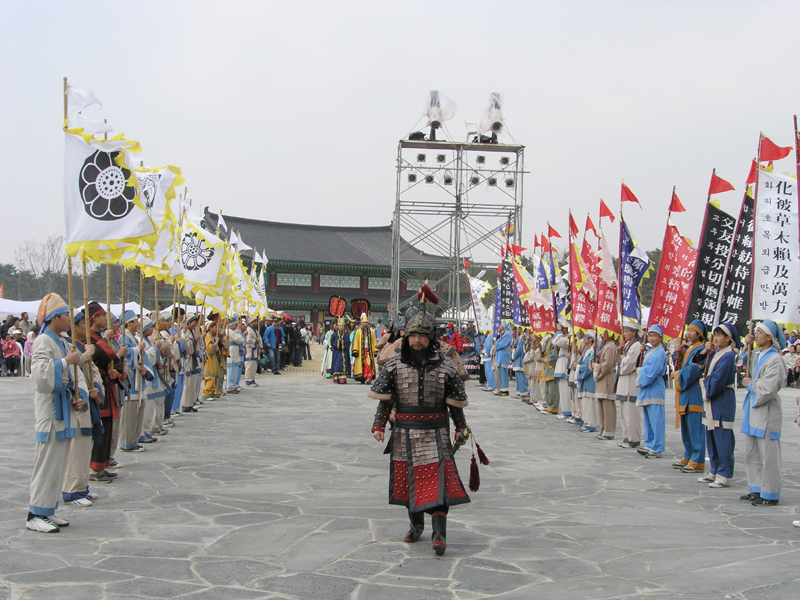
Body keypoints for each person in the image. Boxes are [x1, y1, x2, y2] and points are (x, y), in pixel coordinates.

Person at [369, 291, 471, 556]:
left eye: (422, 336)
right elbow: (385, 400)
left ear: (431, 338)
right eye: (413, 335)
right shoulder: (394, 364)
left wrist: (460, 427)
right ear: (406, 337)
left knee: (439, 484)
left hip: (436, 431)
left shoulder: (446, 367)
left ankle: (439, 535)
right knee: (407, 482)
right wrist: (379, 425)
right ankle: (416, 526)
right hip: (404, 431)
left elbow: (455, 404)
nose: (417, 341)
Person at [26, 293, 87, 533]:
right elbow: (39, 375)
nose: (69, 320)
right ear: (54, 318)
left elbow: (71, 374)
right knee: (47, 463)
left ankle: (48, 509)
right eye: (65, 316)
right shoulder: (43, 340)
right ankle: (35, 513)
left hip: (64, 408)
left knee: (58, 464)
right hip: (51, 411)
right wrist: (64, 362)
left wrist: (78, 395)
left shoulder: (61, 341)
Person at [740, 320, 787, 506]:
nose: (756, 335)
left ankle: (770, 493)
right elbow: (741, 363)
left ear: (769, 337)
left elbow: (769, 388)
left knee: (768, 454)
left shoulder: (775, 359)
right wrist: (746, 346)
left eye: (759, 332)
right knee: (752, 451)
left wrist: (751, 384)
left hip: (766, 410)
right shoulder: (756, 354)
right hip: (753, 408)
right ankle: (756, 488)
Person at [63, 310, 104, 503]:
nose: (86, 327)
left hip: (89, 399)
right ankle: (72, 490)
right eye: (83, 323)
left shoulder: (82, 346)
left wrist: (96, 388)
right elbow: (72, 368)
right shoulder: (68, 346)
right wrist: (87, 354)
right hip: (77, 403)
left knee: (85, 447)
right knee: (76, 449)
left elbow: (93, 372)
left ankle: (82, 486)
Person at [699, 323, 739, 489]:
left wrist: (705, 384)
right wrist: (705, 351)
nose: (715, 338)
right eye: (715, 335)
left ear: (728, 338)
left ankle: (724, 474)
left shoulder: (728, 356)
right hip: (713, 399)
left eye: (719, 335)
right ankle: (714, 469)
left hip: (722, 399)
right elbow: (700, 365)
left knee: (723, 438)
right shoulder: (716, 353)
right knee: (711, 436)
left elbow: (718, 379)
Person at [86, 303, 122, 479]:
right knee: (100, 426)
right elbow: (99, 356)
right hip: (97, 385)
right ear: (94, 318)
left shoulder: (98, 337)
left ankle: (102, 465)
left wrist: (115, 373)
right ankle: (95, 468)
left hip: (106, 382)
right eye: (102, 316)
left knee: (107, 427)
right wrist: (105, 341)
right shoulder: (89, 338)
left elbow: (112, 360)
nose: (105, 319)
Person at [673, 320, 709, 473]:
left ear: (699, 334)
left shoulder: (700, 349)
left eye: (692, 331)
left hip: (693, 393)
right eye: (688, 330)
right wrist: (679, 354)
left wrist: (677, 375)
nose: (688, 333)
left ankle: (697, 459)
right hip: (685, 394)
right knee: (687, 429)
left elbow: (692, 371)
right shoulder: (690, 349)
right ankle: (688, 455)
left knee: (695, 428)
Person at [636, 324, 667, 459]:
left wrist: (640, 372)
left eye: (655, 335)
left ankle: (657, 447)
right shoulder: (650, 350)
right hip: (648, 388)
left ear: (660, 338)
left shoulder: (660, 353)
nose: (652, 338)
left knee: (656, 420)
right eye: (650, 335)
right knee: (648, 419)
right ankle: (649, 443)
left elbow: (651, 372)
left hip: (655, 388)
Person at [616, 321, 642, 448]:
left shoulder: (636, 345)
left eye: (627, 331)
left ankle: (633, 438)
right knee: (624, 413)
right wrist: (620, 351)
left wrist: (622, 359)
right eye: (624, 331)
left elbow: (629, 364)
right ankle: (626, 436)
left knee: (631, 414)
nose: (624, 334)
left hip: (630, 382)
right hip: (623, 382)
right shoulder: (627, 345)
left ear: (634, 333)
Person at [594, 331, 618, 439]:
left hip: (607, 377)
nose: (603, 335)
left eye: (606, 333)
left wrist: (597, 368)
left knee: (608, 405)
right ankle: (603, 428)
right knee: (601, 405)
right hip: (603, 378)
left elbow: (607, 364)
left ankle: (608, 430)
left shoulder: (611, 347)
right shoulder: (606, 346)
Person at [576, 331, 597, 432]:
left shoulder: (593, 351)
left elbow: (589, 367)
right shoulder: (586, 351)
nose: (584, 338)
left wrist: (578, 367)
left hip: (589, 380)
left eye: (586, 337)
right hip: (584, 380)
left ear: (591, 339)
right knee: (584, 402)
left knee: (589, 402)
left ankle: (590, 423)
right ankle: (585, 421)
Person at [537, 331, 559, 413]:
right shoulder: (548, 340)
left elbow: (553, 355)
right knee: (547, 390)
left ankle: (553, 407)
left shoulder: (555, 340)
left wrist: (546, 360)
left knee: (552, 389)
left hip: (551, 367)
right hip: (546, 367)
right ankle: (548, 406)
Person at [353, 314, 378, 384]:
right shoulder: (358, 332)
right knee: (361, 364)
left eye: (366, 322)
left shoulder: (371, 332)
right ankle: (362, 377)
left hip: (369, 351)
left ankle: (368, 377)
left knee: (368, 364)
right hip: (361, 351)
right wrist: (355, 350)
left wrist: (375, 350)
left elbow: (374, 341)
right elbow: (356, 342)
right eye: (364, 322)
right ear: (361, 323)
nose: (365, 324)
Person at [553, 323, 570, 417]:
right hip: (561, 367)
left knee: (566, 392)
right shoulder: (565, 337)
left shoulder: (569, 338)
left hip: (565, 368)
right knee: (562, 391)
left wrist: (559, 331)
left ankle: (567, 411)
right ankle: (565, 410)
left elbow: (556, 341)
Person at [328, 319, 350, 384]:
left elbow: (348, 342)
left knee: (343, 364)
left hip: (344, 352)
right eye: (340, 326)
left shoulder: (346, 334)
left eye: (342, 326)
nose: (341, 327)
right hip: (336, 352)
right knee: (337, 363)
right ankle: (336, 377)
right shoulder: (334, 334)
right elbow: (332, 341)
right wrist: (337, 343)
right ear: (338, 326)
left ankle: (342, 377)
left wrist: (342, 343)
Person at [493, 323, 512, 397]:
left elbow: (500, 344)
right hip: (500, 354)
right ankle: (501, 388)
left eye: (501, 324)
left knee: (503, 372)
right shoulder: (503, 334)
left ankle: (505, 389)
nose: (500, 326)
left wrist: (496, 346)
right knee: (500, 372)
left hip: (504, 354)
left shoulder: (507, 334)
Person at [227, 319, 246, 390]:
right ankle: (230, 385)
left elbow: (242, 339)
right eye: (235, 324)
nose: (236, 326)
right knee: (231, 369)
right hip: (232, 351)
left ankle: (234, 384)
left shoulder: (235, 332)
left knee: (235, 370)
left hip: (236, 351)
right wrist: (239, 337)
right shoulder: (229, 331)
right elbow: (238, 340)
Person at [243, 316, 261, 387]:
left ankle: (252, 379)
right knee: (249, 366)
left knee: (254, 366)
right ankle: (248, 380)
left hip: (255, 350)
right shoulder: (248, 330)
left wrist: (260, 347)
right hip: (250, 350)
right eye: (256, 321)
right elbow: (248, 340)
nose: (257, 323)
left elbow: (260, 339)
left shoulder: (255, 330)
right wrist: (255, 341)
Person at [512, 328, 528, 398]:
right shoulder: (519, 337)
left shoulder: (524, 337)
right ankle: (519, 391)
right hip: (517, 360)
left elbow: (520, 349)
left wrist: (514, 353)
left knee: (522, 377)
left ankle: (523, 391)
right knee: (518, 377)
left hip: (521, 359)